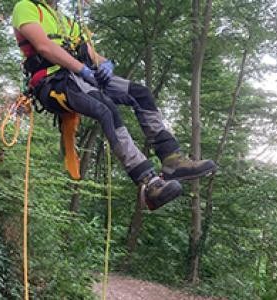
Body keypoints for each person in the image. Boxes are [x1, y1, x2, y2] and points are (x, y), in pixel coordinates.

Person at [12, 0, 217, 210]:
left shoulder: (67, 22)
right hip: (54, 81)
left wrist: (105, 65)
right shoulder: (26, 7)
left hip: (81, 76)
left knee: (141, 94)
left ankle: (172, 158)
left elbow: (91, 54)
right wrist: (82, 69)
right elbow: (43, 46)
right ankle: (147, 181)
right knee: (106, 107)